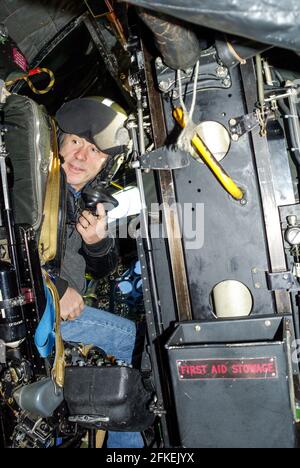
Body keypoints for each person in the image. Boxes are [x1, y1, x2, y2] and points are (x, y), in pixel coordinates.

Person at [53, 97, 143, 449]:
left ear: (105, 165)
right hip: (41, 308)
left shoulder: (77, 200)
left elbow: (103, 270)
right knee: (131, 340)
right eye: (75, 141)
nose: (80, 156)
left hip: (57, 312)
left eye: (94, 150)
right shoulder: (31, 190)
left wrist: (96, 243)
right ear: (59, 143)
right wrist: (56, 288)